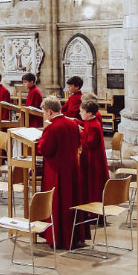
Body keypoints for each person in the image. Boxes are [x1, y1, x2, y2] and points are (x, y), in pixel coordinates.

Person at [38, 96, 87, 249]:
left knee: (57, 203)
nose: (45, 116)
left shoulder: (52, 127)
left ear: (50, 112)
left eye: (45, 113)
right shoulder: (73, 123)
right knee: (71, 200)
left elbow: (44, 149)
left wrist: (40, 140)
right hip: (72, 168)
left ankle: (58, 238)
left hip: (56, 171)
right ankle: (74, 235)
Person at [77, 100, 109, 205]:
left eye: (82, 112)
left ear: (90, 113)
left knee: (93, 184)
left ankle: (94, 210)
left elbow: (89, 143)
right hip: (90, 156)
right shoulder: (90, 122)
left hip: (94, 159)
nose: (80, 113)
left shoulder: (94, 125)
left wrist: (80, 132)